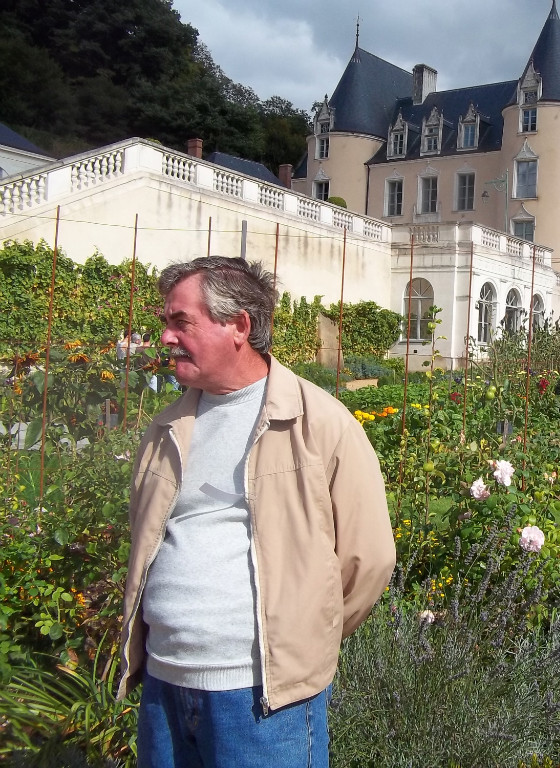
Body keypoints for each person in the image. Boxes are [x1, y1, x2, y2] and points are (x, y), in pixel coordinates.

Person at [117, 256, 396, 767]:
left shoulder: (320, 424)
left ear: (238, 326)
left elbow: (369, 560)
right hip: (165, 686)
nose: (165, 337)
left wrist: (303, 637)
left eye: (181, 322)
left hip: (263, 701)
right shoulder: (167, 426)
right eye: (165, 323)